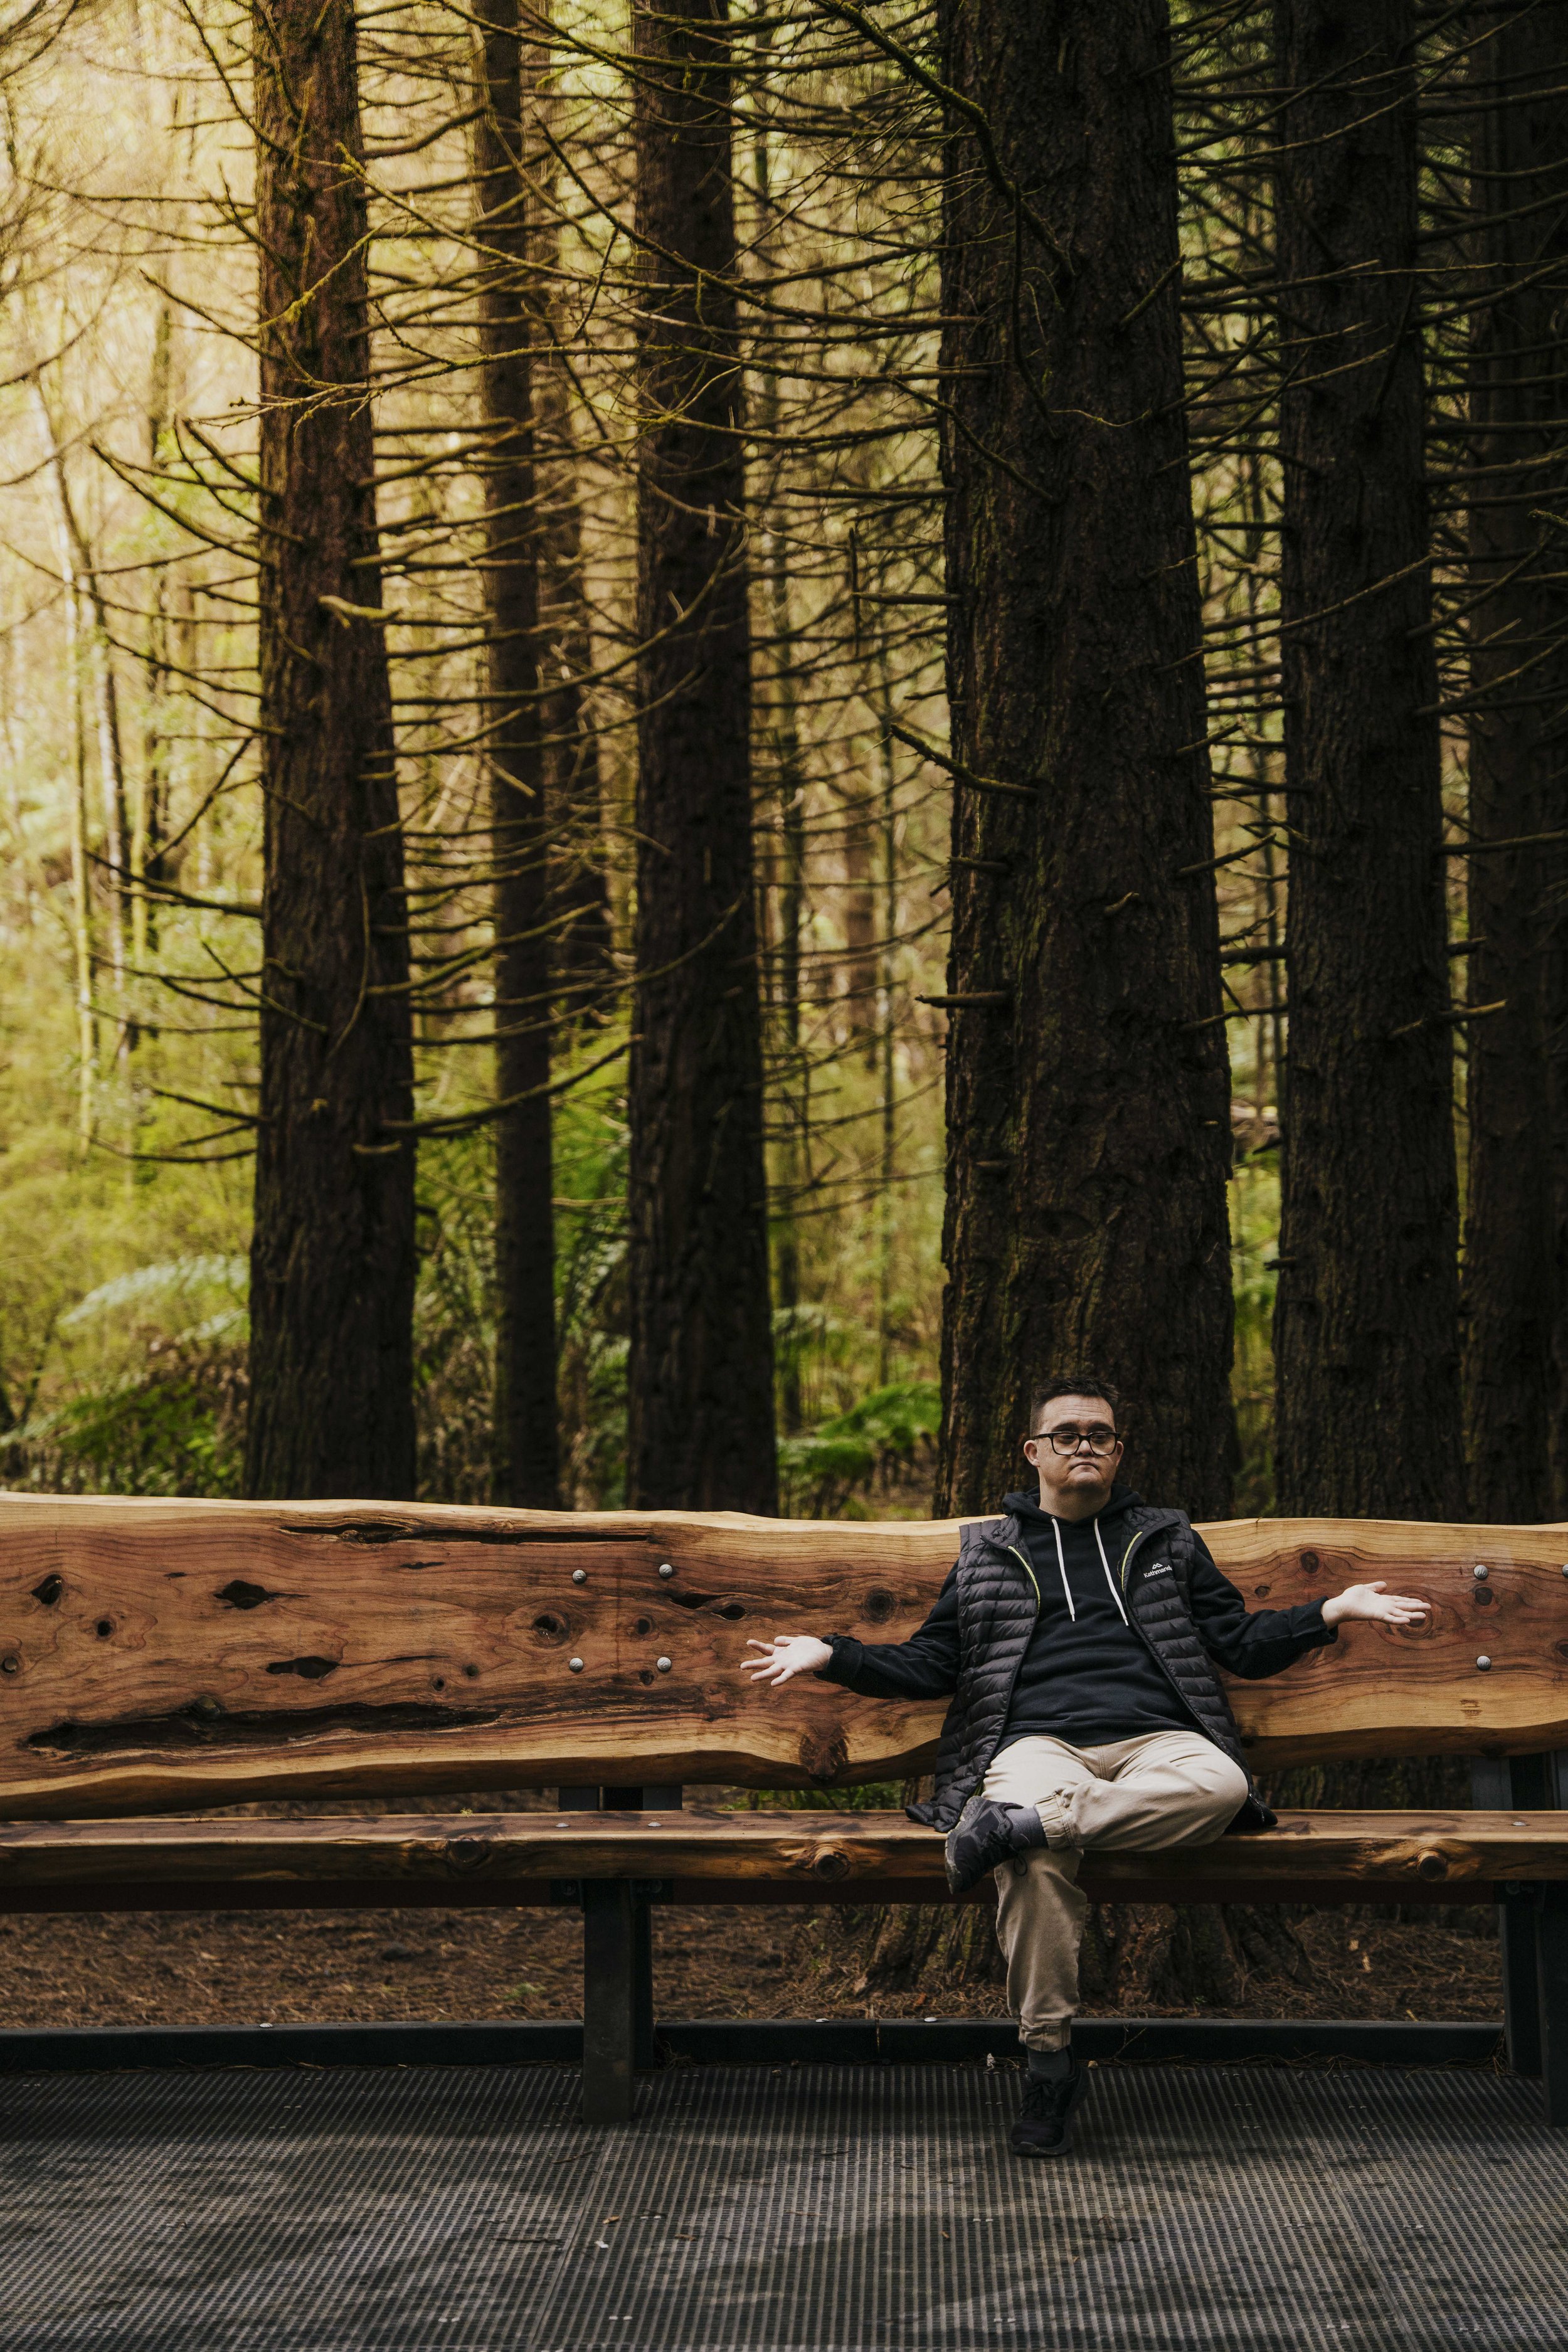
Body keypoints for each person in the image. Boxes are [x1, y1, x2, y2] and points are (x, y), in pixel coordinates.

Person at [744, 1373, 1428, 2159]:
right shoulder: (986, 1554)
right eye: (1066, 1435)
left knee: (1222, 1785)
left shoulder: (1166, 1540)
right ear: (1034, 1452)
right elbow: (934, 1664)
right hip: (1035, 1746)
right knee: (1034, 1860)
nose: (1083, 1448)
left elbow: (1238, 1643)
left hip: (1156, 1742)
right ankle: (1048, 2061)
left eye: (1098, 1436)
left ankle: (1020, 1825)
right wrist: (833, 1653)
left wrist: (1330, 1613)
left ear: (1117, 1452)